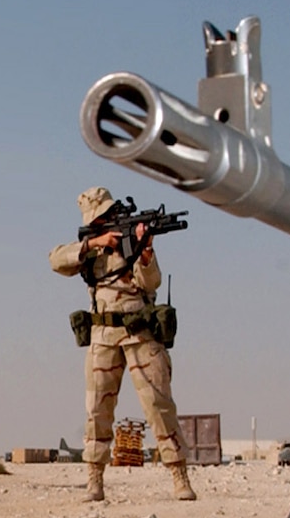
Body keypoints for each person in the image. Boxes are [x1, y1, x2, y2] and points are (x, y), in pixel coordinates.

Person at [50, 187, 196, 502]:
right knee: (97, 410)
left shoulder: (134, 241)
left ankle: (179, 476)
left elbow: (151, 283)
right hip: (102, 337)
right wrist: (94, 243)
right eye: (100, 219)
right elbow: (55, 260)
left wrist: (145, 252)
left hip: (140, 334)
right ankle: (94, 481)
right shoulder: (91, 247)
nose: (106, 221)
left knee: (159, 406)